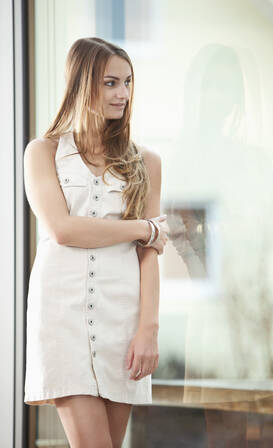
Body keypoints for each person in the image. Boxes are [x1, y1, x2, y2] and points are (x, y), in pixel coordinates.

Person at [23, 37, 169, 447]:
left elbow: (149, 257)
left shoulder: (147, 163)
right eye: (110, 83)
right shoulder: (42, 153)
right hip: (62, 317)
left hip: (122, 321)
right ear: (83, 84)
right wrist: (143, 228)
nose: (122, 94)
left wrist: (148, 329)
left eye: (127, 82)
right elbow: (63, 230)